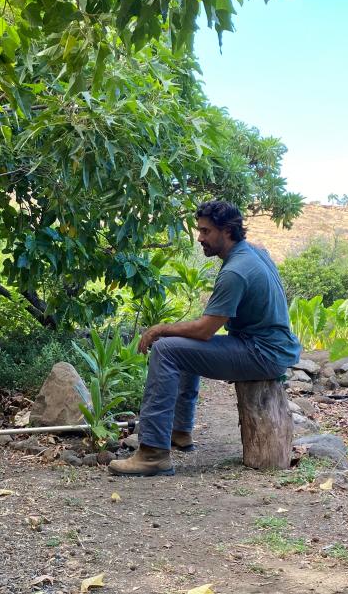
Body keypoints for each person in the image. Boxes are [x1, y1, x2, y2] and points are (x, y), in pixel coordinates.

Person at [109, 200, 302, 477]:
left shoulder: (236, 271)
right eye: (199, 230)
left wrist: (159, 328)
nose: (200, 238)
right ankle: (179, 430)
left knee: (166, 349)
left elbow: (204, 331)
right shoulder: (253, 253)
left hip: (262, 353)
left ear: (227, 231)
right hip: (269, 347)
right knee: (183, 347)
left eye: (205, 231)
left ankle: (152, 453)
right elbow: (202, 334)